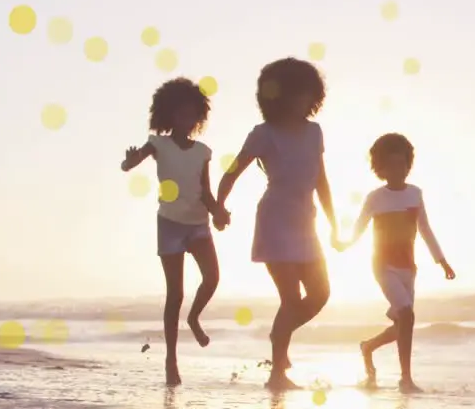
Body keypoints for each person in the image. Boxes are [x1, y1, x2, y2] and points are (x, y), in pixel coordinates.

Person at [215, 57, 337, 390]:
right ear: (278, 97)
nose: (302, 101)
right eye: (294, 94)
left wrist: (334, 224)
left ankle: (278, 336)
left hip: (306, 225)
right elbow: (233, 171)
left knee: (321, 293)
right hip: (275, 222)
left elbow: (321, 181)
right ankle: (277, 374)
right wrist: (219, 207)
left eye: (307, 94)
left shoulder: (314, 132)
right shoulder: (264, 134)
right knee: (290, 299)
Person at [120, 77, 228, 386]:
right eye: (181, 113)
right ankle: (171, 361)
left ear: (199, 118)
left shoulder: (203, 151)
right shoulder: (158, 144)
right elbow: (132, 161)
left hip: (198, 225)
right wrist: (128, 162)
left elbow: (205, 192)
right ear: (169, 116)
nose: (187, 119)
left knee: (212, 278)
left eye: (193, 114)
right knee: (175, 293)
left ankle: (194, 318)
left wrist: (218, 211)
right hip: (169, 225)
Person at [333, 133, 455, 391]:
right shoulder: (375, 198)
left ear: (408, 165)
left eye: (402, 165)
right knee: (407, 314)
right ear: (381, 168)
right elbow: (359, 228)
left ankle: (368, 347)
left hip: (408, 268)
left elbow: (425, 229)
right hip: (383, 265)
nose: (397, 171)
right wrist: (344, 244)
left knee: (403, 323)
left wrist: (442, 261)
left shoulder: (415, 195)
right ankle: (406, 379)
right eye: (391, 166)